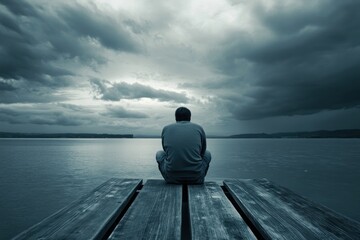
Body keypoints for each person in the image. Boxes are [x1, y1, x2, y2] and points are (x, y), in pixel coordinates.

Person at [156, 107, 211, 184]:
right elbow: (202, 151)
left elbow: (166, 151)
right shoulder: (199, 128)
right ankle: (199, 177)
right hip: (196, 178)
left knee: (159, 154)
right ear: (190, 117)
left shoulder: (166, 128)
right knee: (207, 153)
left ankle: (169, 177)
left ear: (176, 117)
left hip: (172, 178)